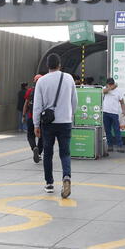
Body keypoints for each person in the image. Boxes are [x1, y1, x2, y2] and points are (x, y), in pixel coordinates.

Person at [34, 54, 78, 198]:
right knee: (65, 152)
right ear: (60, 64)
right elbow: (74, 100)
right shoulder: (68, 78)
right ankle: (66, 177)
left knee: (48, 153)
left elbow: (37, 105)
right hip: (65, 121)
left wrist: (36, 124)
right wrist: (70, 116)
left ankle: (49, 183)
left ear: (47, 65)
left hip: (48, 123)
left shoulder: (41, 81)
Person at [23, 75, 44, 163]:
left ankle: (34, 147)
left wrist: (23, 115)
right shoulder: (44, 91)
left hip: (31, 117)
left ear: (34, 81)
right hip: (42, 118)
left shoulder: (29, 91)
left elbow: (26, 104)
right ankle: (38, 153)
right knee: (42, 136)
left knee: (30, 135)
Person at [102, 78, 125, 153]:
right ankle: (110, 146)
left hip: (114, 113)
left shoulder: (118, 91)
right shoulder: (104, 89)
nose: (110, 85)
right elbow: (103, 92)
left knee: (116, 130)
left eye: (112, 84)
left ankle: (119, 146)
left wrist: (123, 111)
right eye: (109, 84)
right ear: (107, 84)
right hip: (105, 112)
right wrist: (110, 88)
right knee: (107, 130)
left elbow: (122, 102)